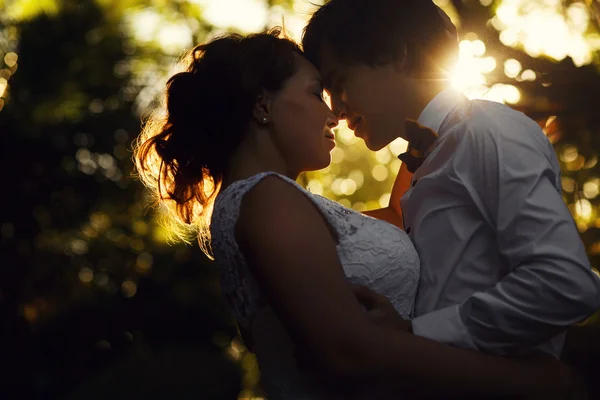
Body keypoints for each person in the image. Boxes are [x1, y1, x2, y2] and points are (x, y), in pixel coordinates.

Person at [133, 28, 574, 398]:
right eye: (314, 93)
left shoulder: (278, 205)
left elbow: (402, 220)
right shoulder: (267, 200)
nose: (334, 114)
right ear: (263, 105)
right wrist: (529, 381)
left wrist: (429, 136)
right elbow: (349, 352)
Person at [302, 0, 600, 362]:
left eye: (339, 82)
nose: (334, 109)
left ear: (397, 55)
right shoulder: (423, 161)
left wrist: (417, 335)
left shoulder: (489, 132)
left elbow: (564, 284)